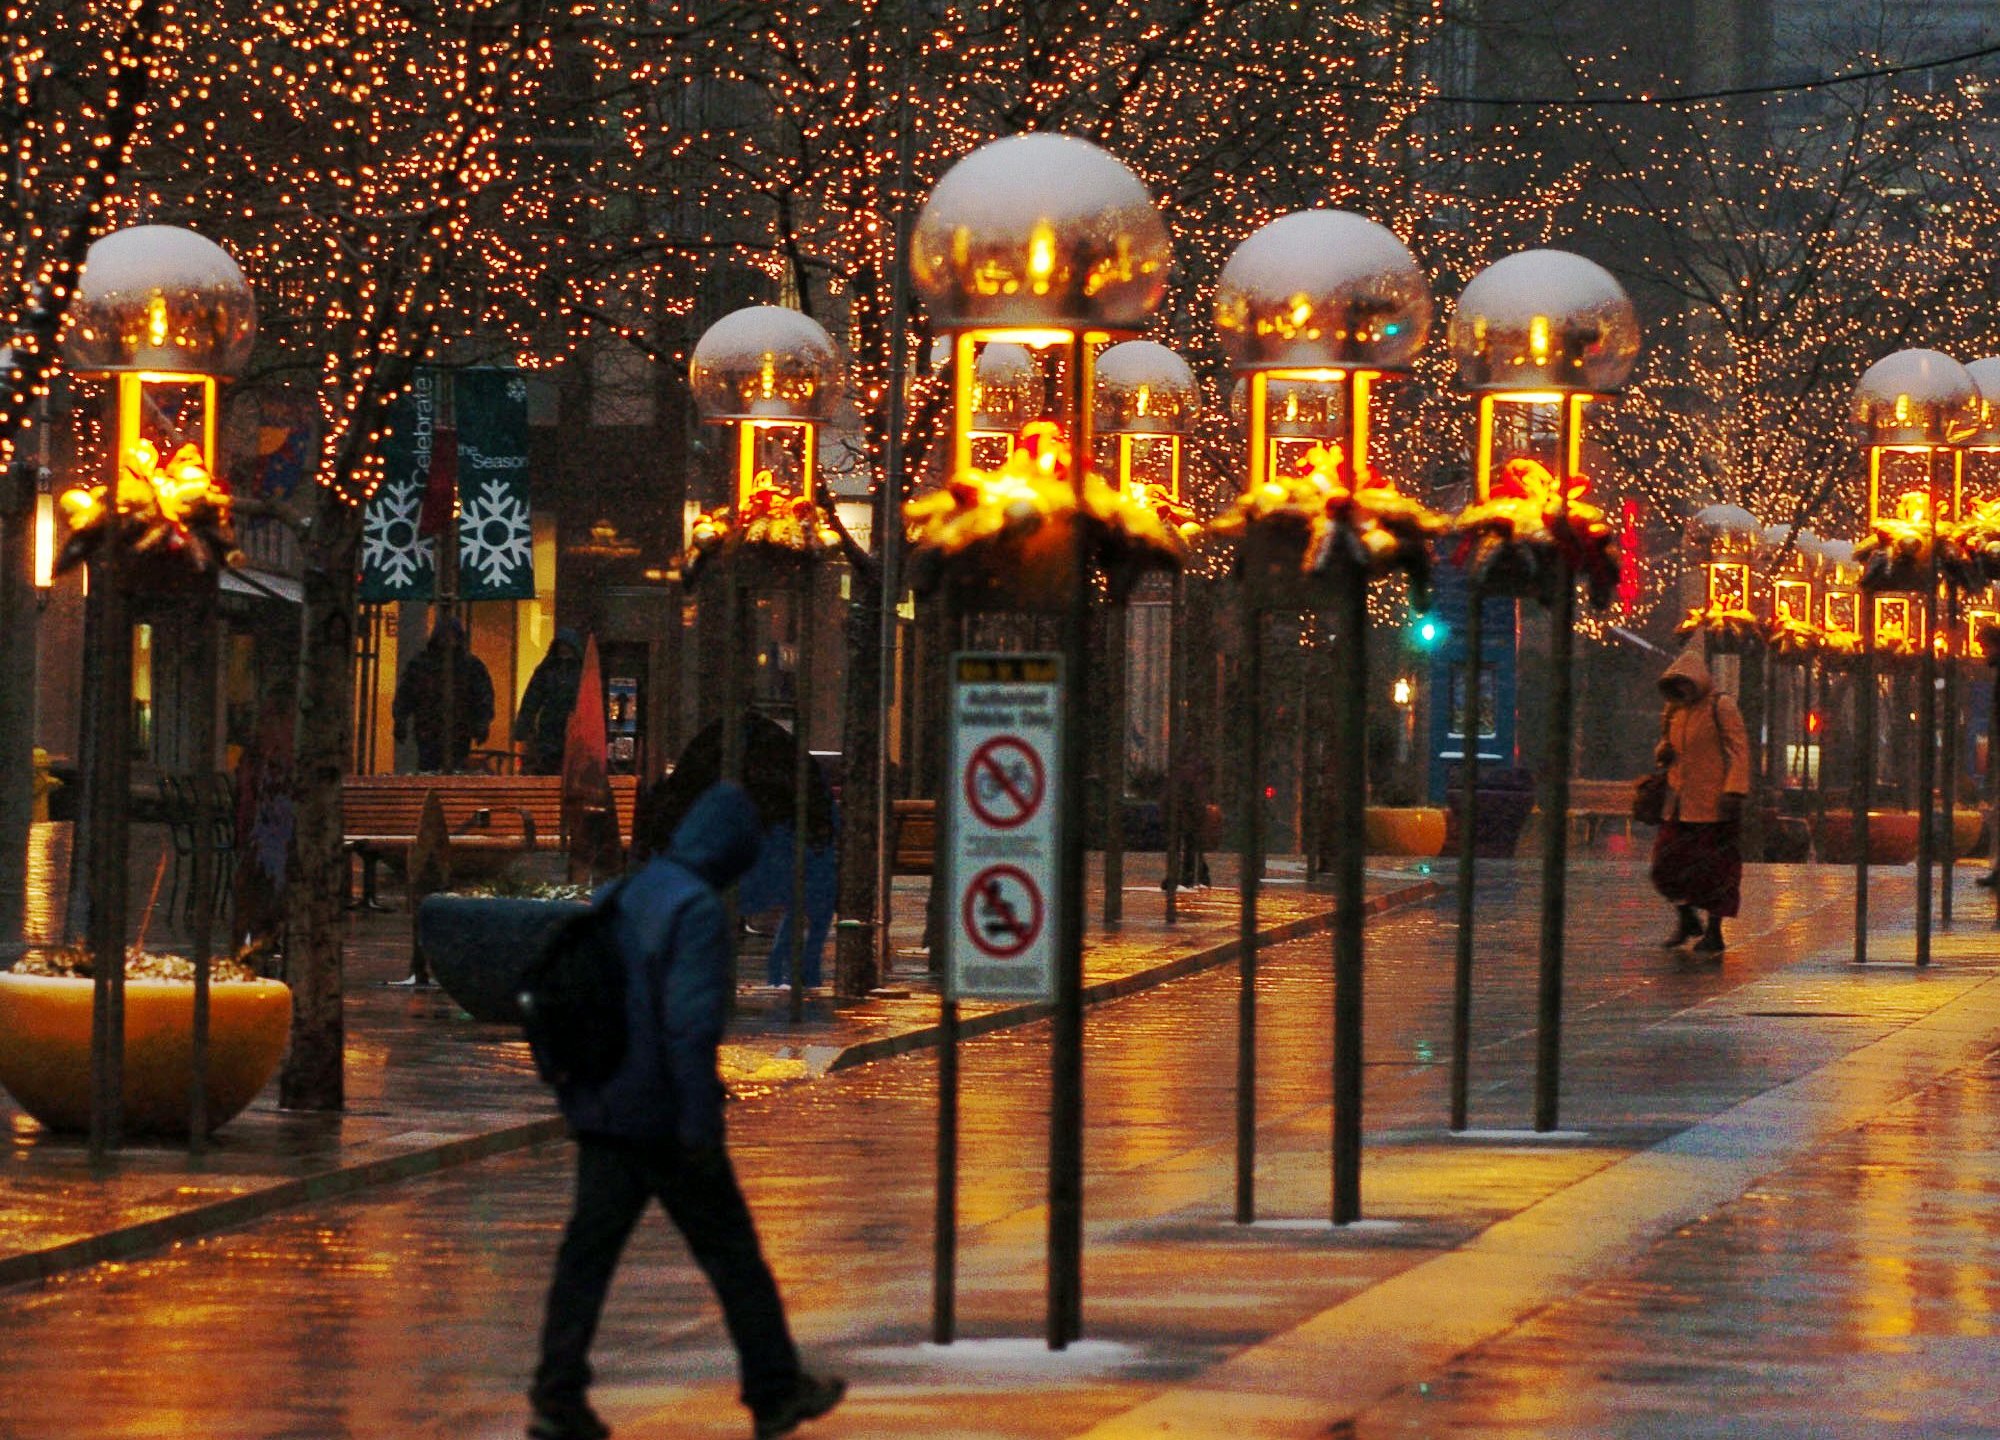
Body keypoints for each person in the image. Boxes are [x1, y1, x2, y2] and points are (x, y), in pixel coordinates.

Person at [530, 783, 845, 1440]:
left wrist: (575, 1093)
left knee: (586, 1256)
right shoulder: (697, 910)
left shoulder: (627, 892)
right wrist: (700, 1123)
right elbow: (689, 1026)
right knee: (734, 1257)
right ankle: (775, 1390)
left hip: (604, 1104)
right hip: (665, 1117)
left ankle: (557, 1398)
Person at [1650, 644, 1750, 955]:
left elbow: (1738, 750)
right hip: (1679, 805)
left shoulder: (1721, 708)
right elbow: (1666, 748)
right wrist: (1662, 753)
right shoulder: (1675, 711)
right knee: (1666, 865)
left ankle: (1714, 930)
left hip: (1714, 807)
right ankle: (1686, 917)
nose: (1682, 690)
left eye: (1685, 683)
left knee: (1715, 872)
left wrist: (1733, 790)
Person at [392, 617, 495, 772]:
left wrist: (482, 722)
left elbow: (483, 697)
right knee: (436, 769)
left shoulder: (424, 664)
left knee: (440, 769)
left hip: (451, 730)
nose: (447, 640)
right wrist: (400, 719)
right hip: (434, 730)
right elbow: (406, 693)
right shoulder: (468, 666)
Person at [518, 628, 587, 776]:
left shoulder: (549, 669)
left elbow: (532, 698)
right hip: (556, 727)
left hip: (565, 726)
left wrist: (523, 725)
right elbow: (532, 698)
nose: (564, 650)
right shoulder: (551, 670)